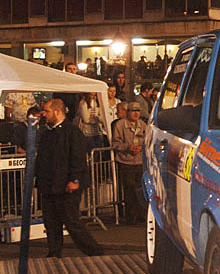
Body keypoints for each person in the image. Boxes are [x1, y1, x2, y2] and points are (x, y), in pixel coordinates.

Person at [34, 98, 103, 258]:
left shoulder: (72, 132)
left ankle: (94, 251)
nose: (44, 114)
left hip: (66, 185)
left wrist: (75, 179)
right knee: (51, 222)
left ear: (57, 111)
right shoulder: (47, 133)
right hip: (49, 185)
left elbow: (78, 158)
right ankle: (54, 251)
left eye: (47, 111)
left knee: (71, 221)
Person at [111, 102, 148, 225]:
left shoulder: (143, 125)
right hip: (126, 161)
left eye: (138, 110)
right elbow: (115, 143)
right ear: (128, 112)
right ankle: (131, 218)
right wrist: (128, 147)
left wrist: (141, 148)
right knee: (129, 191)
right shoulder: (120, 125)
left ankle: (142, 216)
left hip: (140, 161)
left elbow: (147, 141)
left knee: (141, 190)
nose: (136, 113)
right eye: (133, 111)